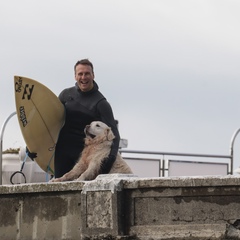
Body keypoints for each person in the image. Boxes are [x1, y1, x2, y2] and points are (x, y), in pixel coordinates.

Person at [54, 59, 120, 178]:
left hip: (85, 156)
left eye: (87, 73)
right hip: (62, 153)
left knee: (80, 194)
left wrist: (109, 161)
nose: (83, 77)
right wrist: (34, 145)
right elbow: (51, 120)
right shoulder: (66, 95)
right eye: (80, 74)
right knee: (58, 189)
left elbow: (115, 134)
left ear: (93, 75)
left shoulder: (101, 103)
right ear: (75, 76)